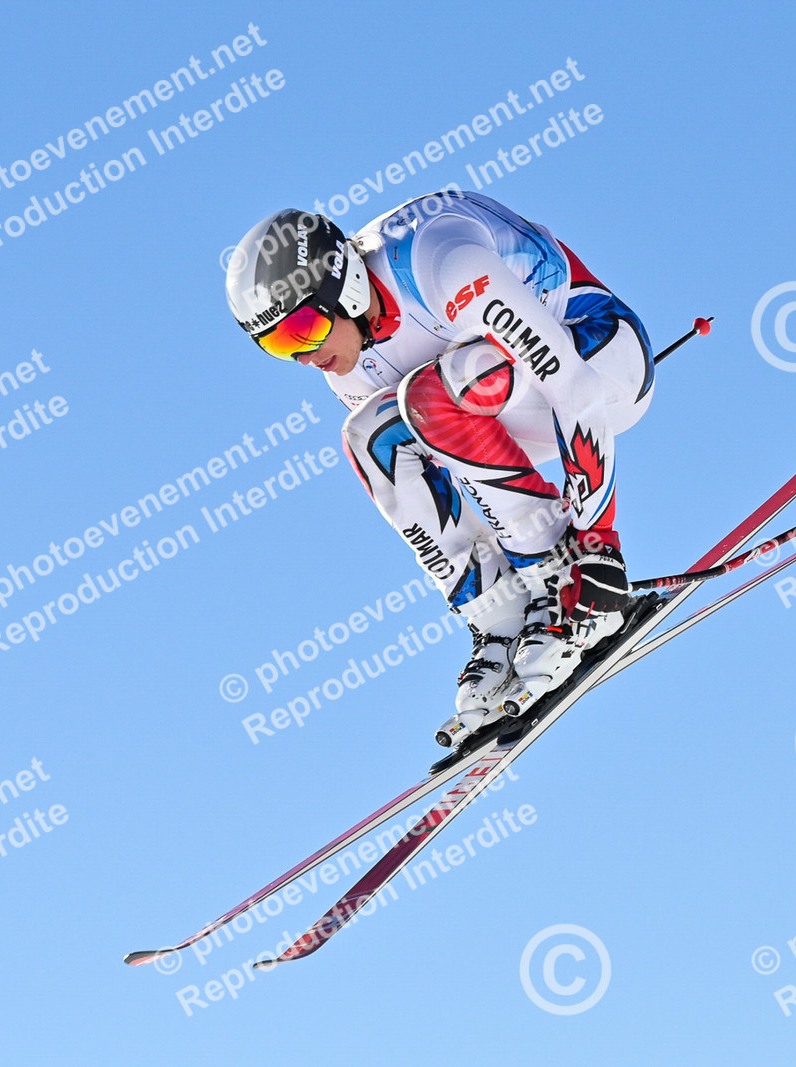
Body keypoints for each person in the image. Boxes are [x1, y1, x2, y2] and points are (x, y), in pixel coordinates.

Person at [225, 191, 656, 746]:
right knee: (368, 435)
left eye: (302, 329)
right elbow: (451, 461)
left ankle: (560, 575)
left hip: (602, 361)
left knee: (433, 392)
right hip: (511, 408)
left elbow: (573, 385)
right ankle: (501, 615)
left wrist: (598, 543)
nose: (303, 357)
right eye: (277, 344)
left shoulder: (441, 261)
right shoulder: (346, 368)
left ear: (344, 288)